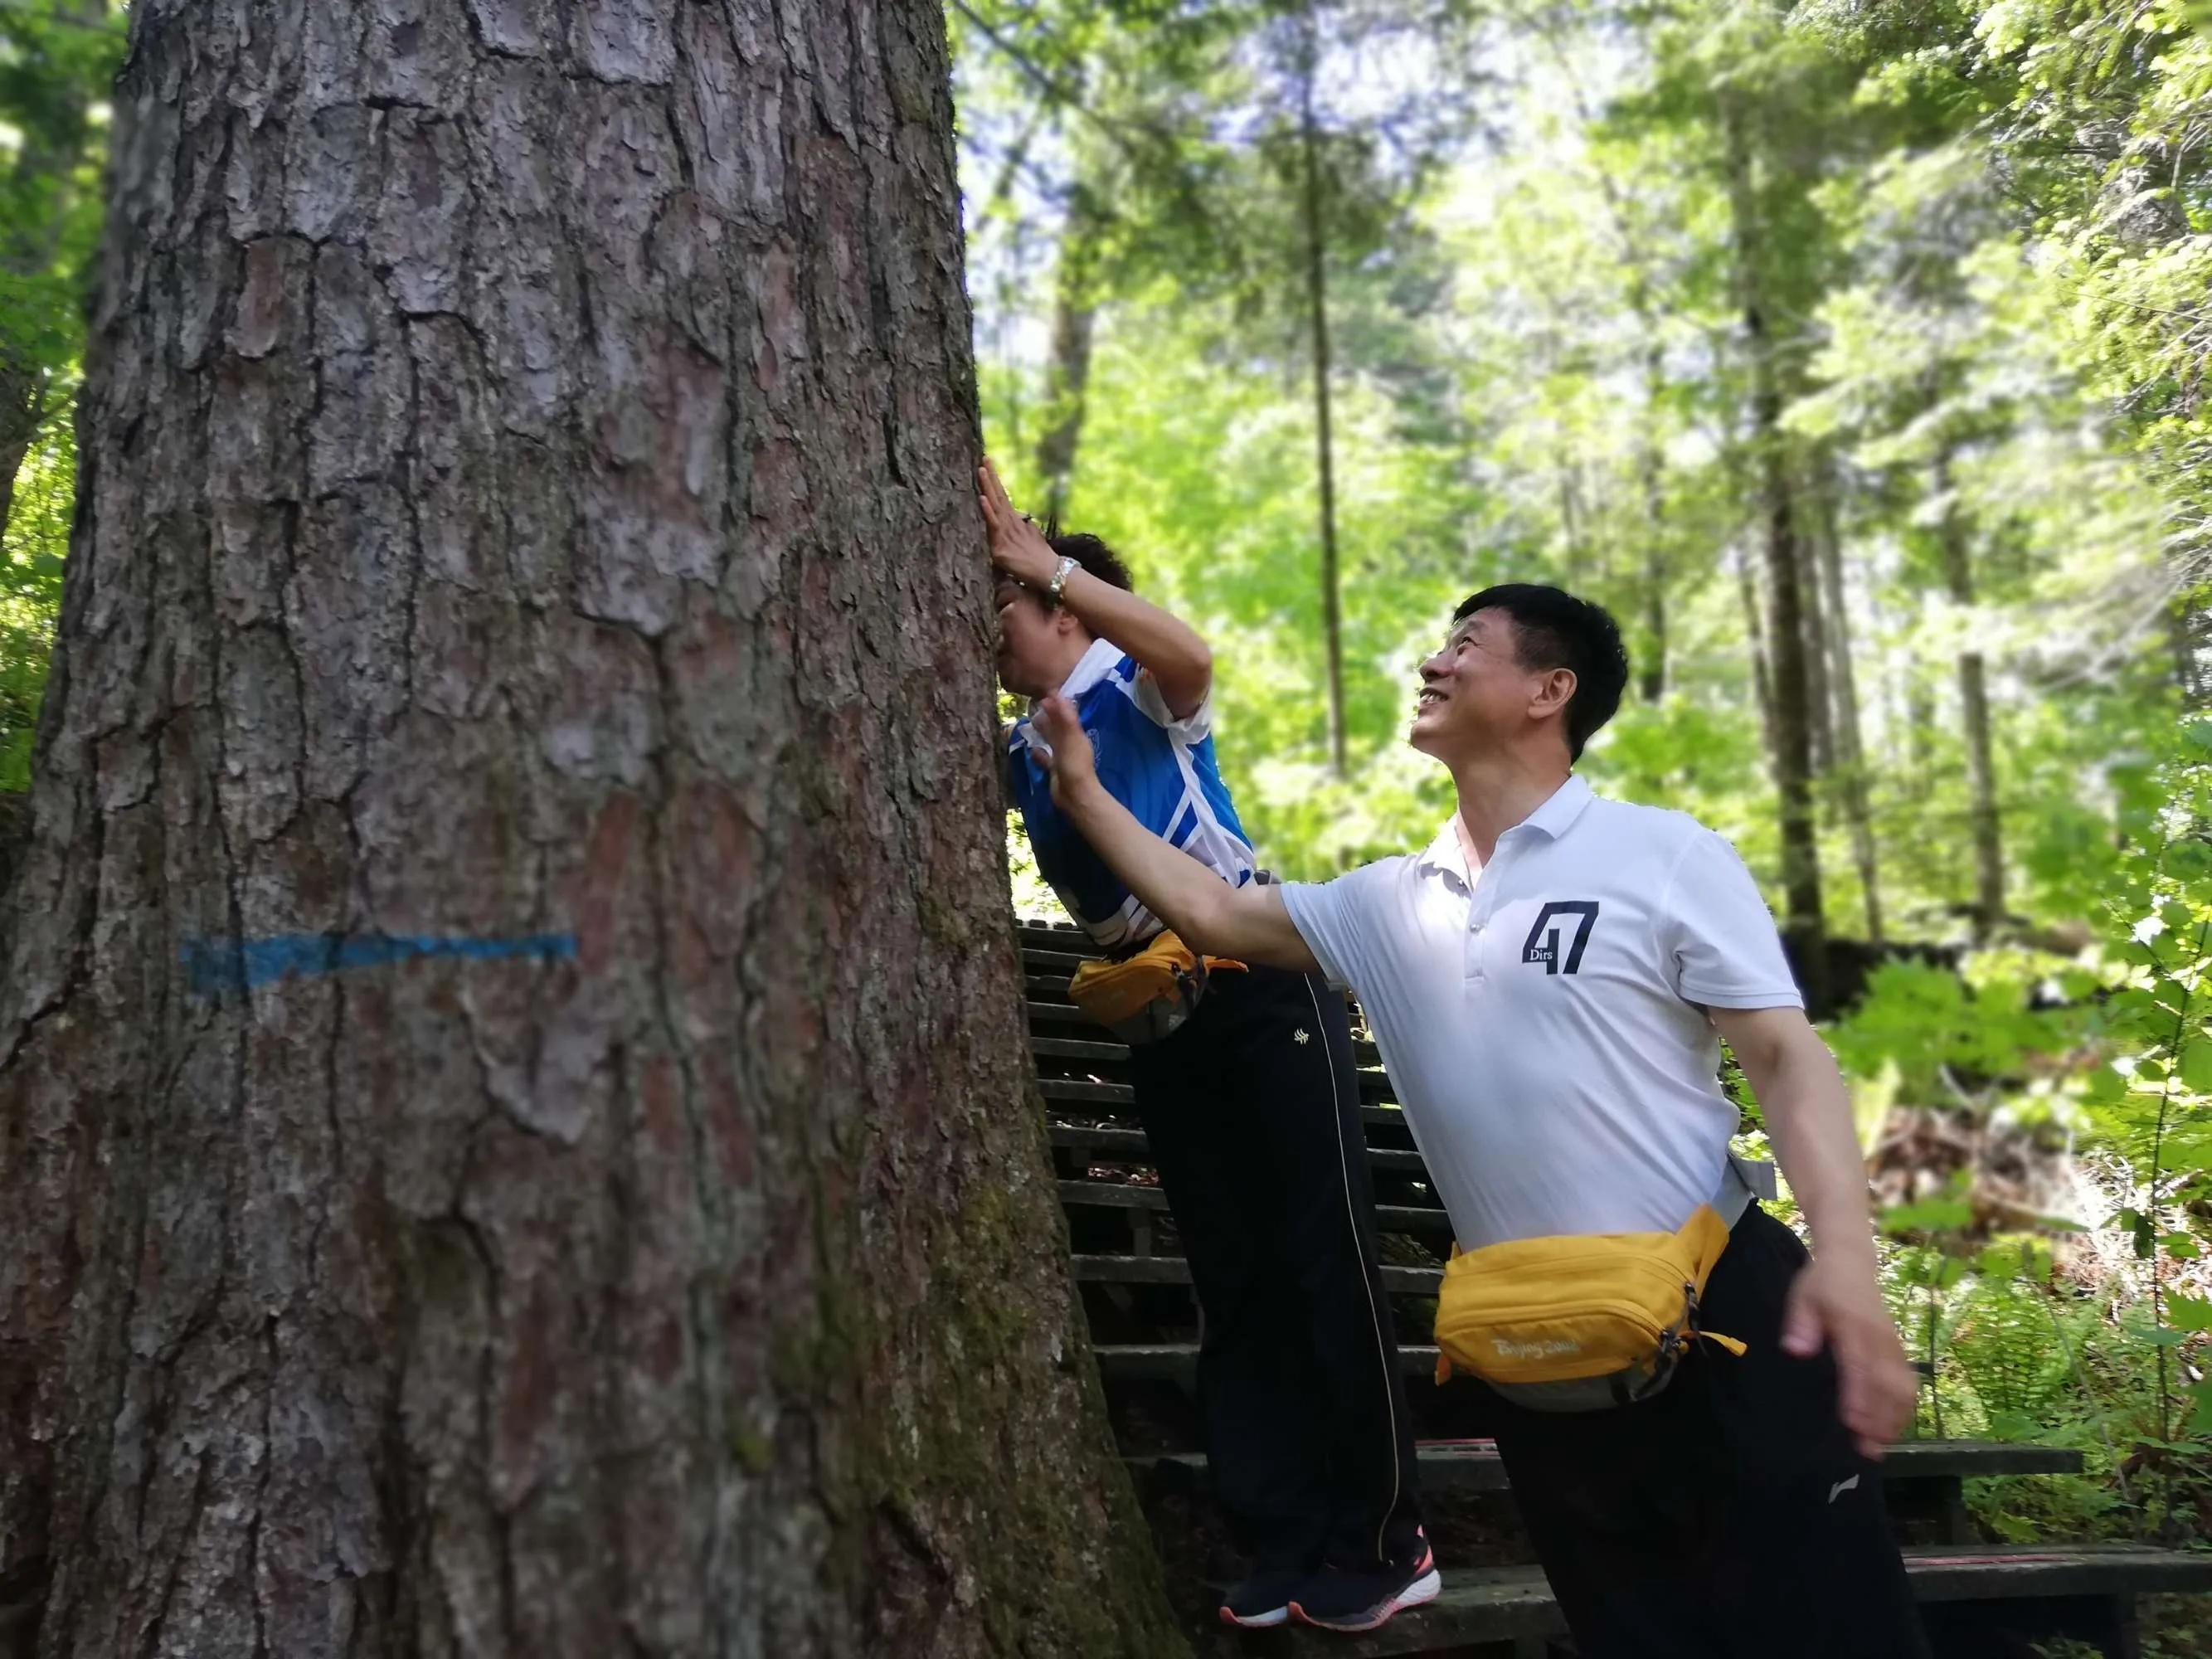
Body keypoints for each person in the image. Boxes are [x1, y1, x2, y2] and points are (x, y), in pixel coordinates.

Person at [1024, 581, 1930, 1657]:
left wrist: (1850, 1267)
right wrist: (1081, 792)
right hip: (1537, 1354)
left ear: (1551, 690)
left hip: (1725, 1317)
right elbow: (1216, 912)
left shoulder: (1660, 852)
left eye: (1466, 644)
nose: (1435, 663)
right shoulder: (1385, 903)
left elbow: (1784, 1054)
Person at [979, 460, 1435, 1633]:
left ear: (1064, 611)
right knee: (1232, 1281)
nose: (983, 621)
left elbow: (1193, 656)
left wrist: (1052, 562)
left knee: (1323, 1260)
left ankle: (1386, 1536)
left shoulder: (1128, 683)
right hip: (1168, 1031)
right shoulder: (1026, 747)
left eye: (1002, 599)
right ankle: (1280, 1535)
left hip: (1263, 995)